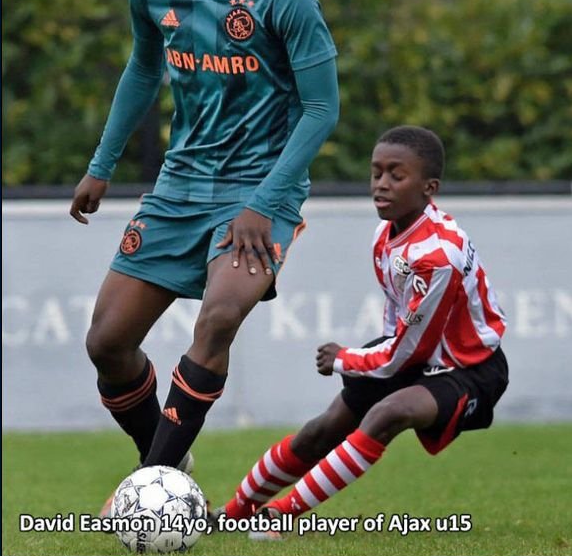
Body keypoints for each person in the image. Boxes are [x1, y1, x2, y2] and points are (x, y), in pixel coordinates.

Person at [69, 0, 339, 512]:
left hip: (259, 192)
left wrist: (264, 202)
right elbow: (141, 70)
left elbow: (322, 108)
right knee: (106, 343)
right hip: (179, 188)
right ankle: (167, 456)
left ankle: (152, 488)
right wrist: (101, 167)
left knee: (218, 317)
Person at [210, 125, 508, 532]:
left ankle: (281, 516)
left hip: (469, 368)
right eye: (376, 173)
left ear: (429, 187)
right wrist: (364, 363)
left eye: (396, 175)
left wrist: (346, 359)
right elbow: (398, 322)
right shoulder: (385, 233)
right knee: (325, 428)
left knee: (390, 412)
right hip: (411, 351)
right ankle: (232, 515)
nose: (381, 185)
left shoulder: (438, 255)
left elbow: (410, 352)